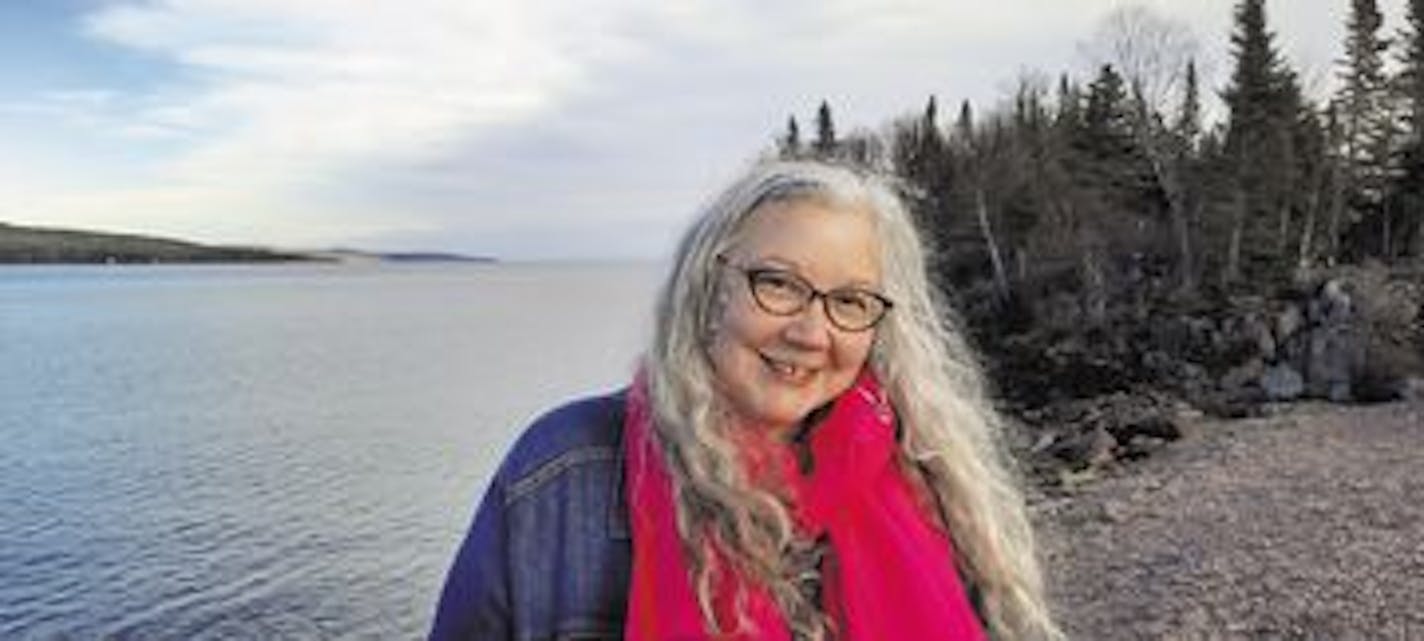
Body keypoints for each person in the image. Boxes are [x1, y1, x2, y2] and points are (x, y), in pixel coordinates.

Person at [429, 160, 1062, 641]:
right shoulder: (566, 471)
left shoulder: (931, 482)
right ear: (710, 290)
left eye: (850, 302)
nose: (813, 333)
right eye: (778, 284)